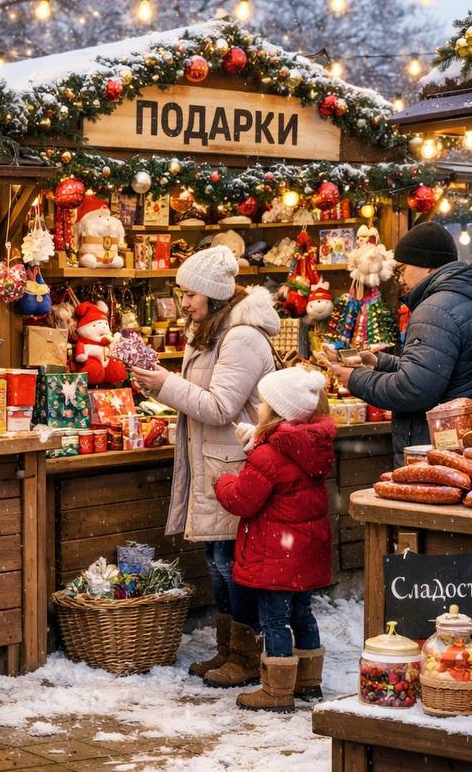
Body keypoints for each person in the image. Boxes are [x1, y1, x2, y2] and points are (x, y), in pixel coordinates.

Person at [131, 245, 278, 689]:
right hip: (215, 465)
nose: (185, 302)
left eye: (190, 293)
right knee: (219, 560)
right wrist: (163, 383)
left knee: (234, 562)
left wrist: (166, 385)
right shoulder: (214, 332)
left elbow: (219, 407)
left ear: (213, 295)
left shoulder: (241, 337)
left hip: (235, 466)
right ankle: (229, 650)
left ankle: (247, 655)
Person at [322, 221, 472, 465]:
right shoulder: (471, 299)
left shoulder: (435, 307)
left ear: (427, 265)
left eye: (403, 268)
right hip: (467, 443)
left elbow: (413, 390)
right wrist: (380, 362)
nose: (401, 277)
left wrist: (354, 378)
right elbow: (439, 370)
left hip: (437, 449)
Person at [214, 365, 335, 712]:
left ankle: (277, 691)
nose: (258, 408)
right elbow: (284, 463)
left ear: (279, 412)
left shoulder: (270, 455)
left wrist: (222, 482)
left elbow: (242, 499)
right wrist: (259, 441)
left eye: (264, 404)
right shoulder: (310, 445)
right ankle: (309, 683)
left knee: (274, 620)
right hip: (303, 551)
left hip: (276, 556)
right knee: (302, 615)